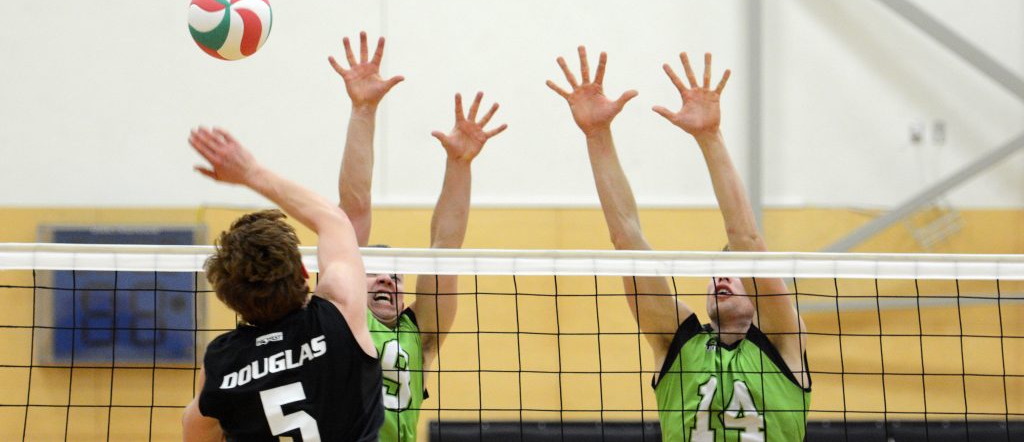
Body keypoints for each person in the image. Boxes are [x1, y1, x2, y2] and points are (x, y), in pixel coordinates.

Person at [547, 47, 811, 441]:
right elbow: (627, 239)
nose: (721, 279)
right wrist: (597, 135)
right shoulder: (677, 342)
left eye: (734, 275)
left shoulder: (782, 341)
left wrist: (710, 138)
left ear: (759, 292)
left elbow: (747, 239)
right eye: (716, 274)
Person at [328, 32, 507, 441]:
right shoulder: (339, 318)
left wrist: (459, 165)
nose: (387, 279)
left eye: (396, 276)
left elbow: (445, 249)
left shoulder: (419, 336)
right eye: (373, 272)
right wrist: (363, 110)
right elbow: (353, 210)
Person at [182, 127, 384, 441]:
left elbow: (194, 430)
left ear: (229, 297)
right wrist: (250, 172)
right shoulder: (338, 315)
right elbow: (333, 220)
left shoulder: (220, 363)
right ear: (304, 270)